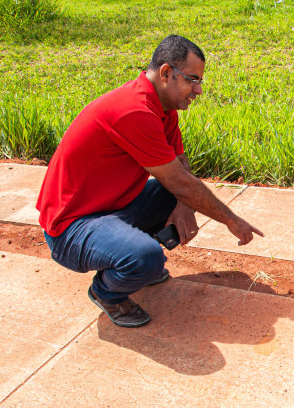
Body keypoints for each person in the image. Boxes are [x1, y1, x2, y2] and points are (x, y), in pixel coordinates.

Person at [36, 35, 263, 328]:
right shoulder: (135, 111)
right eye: (193, 79)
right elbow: (182, 182)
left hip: (110, 209)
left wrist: (183, 205)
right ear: (166, 72)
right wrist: (231, 220)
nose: (199, 90)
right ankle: (107, 292)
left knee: (175, 194)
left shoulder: (163, 109)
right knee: (146, 257)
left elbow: (181, 171)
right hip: (70, 227)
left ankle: (128, 256)